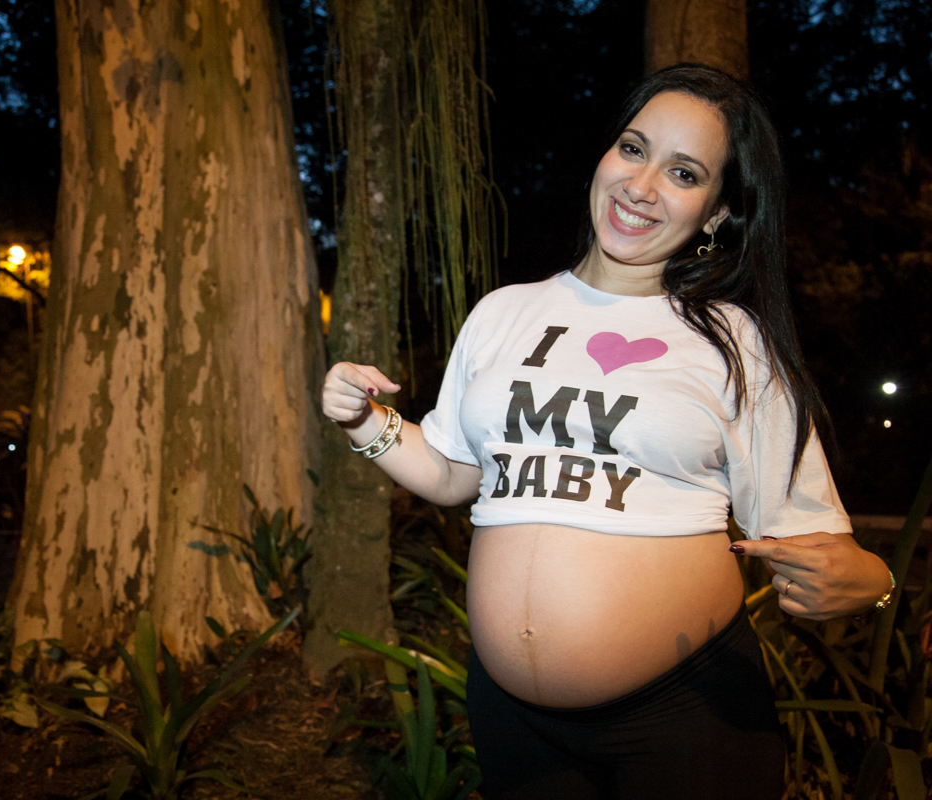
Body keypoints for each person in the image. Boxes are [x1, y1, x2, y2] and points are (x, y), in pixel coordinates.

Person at [320, 64, 894, 800]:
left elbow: (818, 541)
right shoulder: (504, 311)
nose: (642, 185)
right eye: (633, 148)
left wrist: (871, 584)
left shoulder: (734, 343)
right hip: (512, 719)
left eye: (683, 172)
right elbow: (454, 475)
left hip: (685, 714)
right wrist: (368, 422)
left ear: (716, 213)